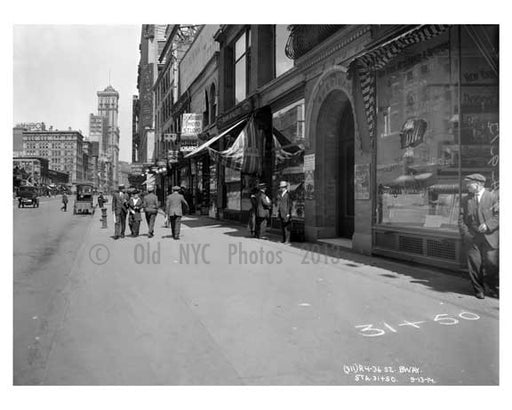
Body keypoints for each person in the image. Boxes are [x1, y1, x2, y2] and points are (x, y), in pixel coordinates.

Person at [458, 173, 499, 299]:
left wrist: (487, 225)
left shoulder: (493, 197)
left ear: (478, 184)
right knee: (475, 264)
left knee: (492, 263)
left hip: (490, 236)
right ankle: (478, 289)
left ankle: (492, 287)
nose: (467, 186)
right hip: (472, 236)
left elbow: (500, 215)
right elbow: (461, 219)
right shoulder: (465, 200)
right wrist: (465, 234)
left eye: (469, 184)